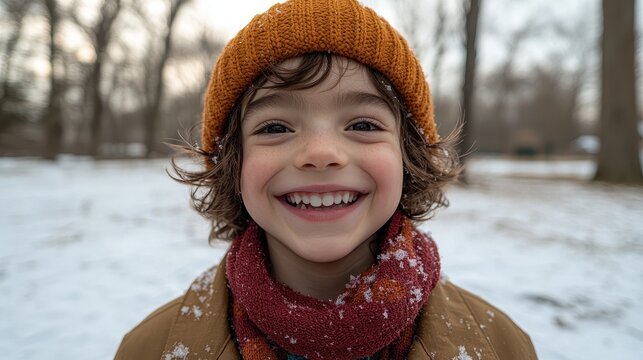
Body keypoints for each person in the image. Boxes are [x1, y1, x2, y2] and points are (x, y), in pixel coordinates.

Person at [115, 0, 537, 359]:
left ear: (408, 156)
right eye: (276, 128)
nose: (321, 154)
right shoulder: (148, 348)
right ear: (233, 164)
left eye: (363, 124)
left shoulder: (502, 345)